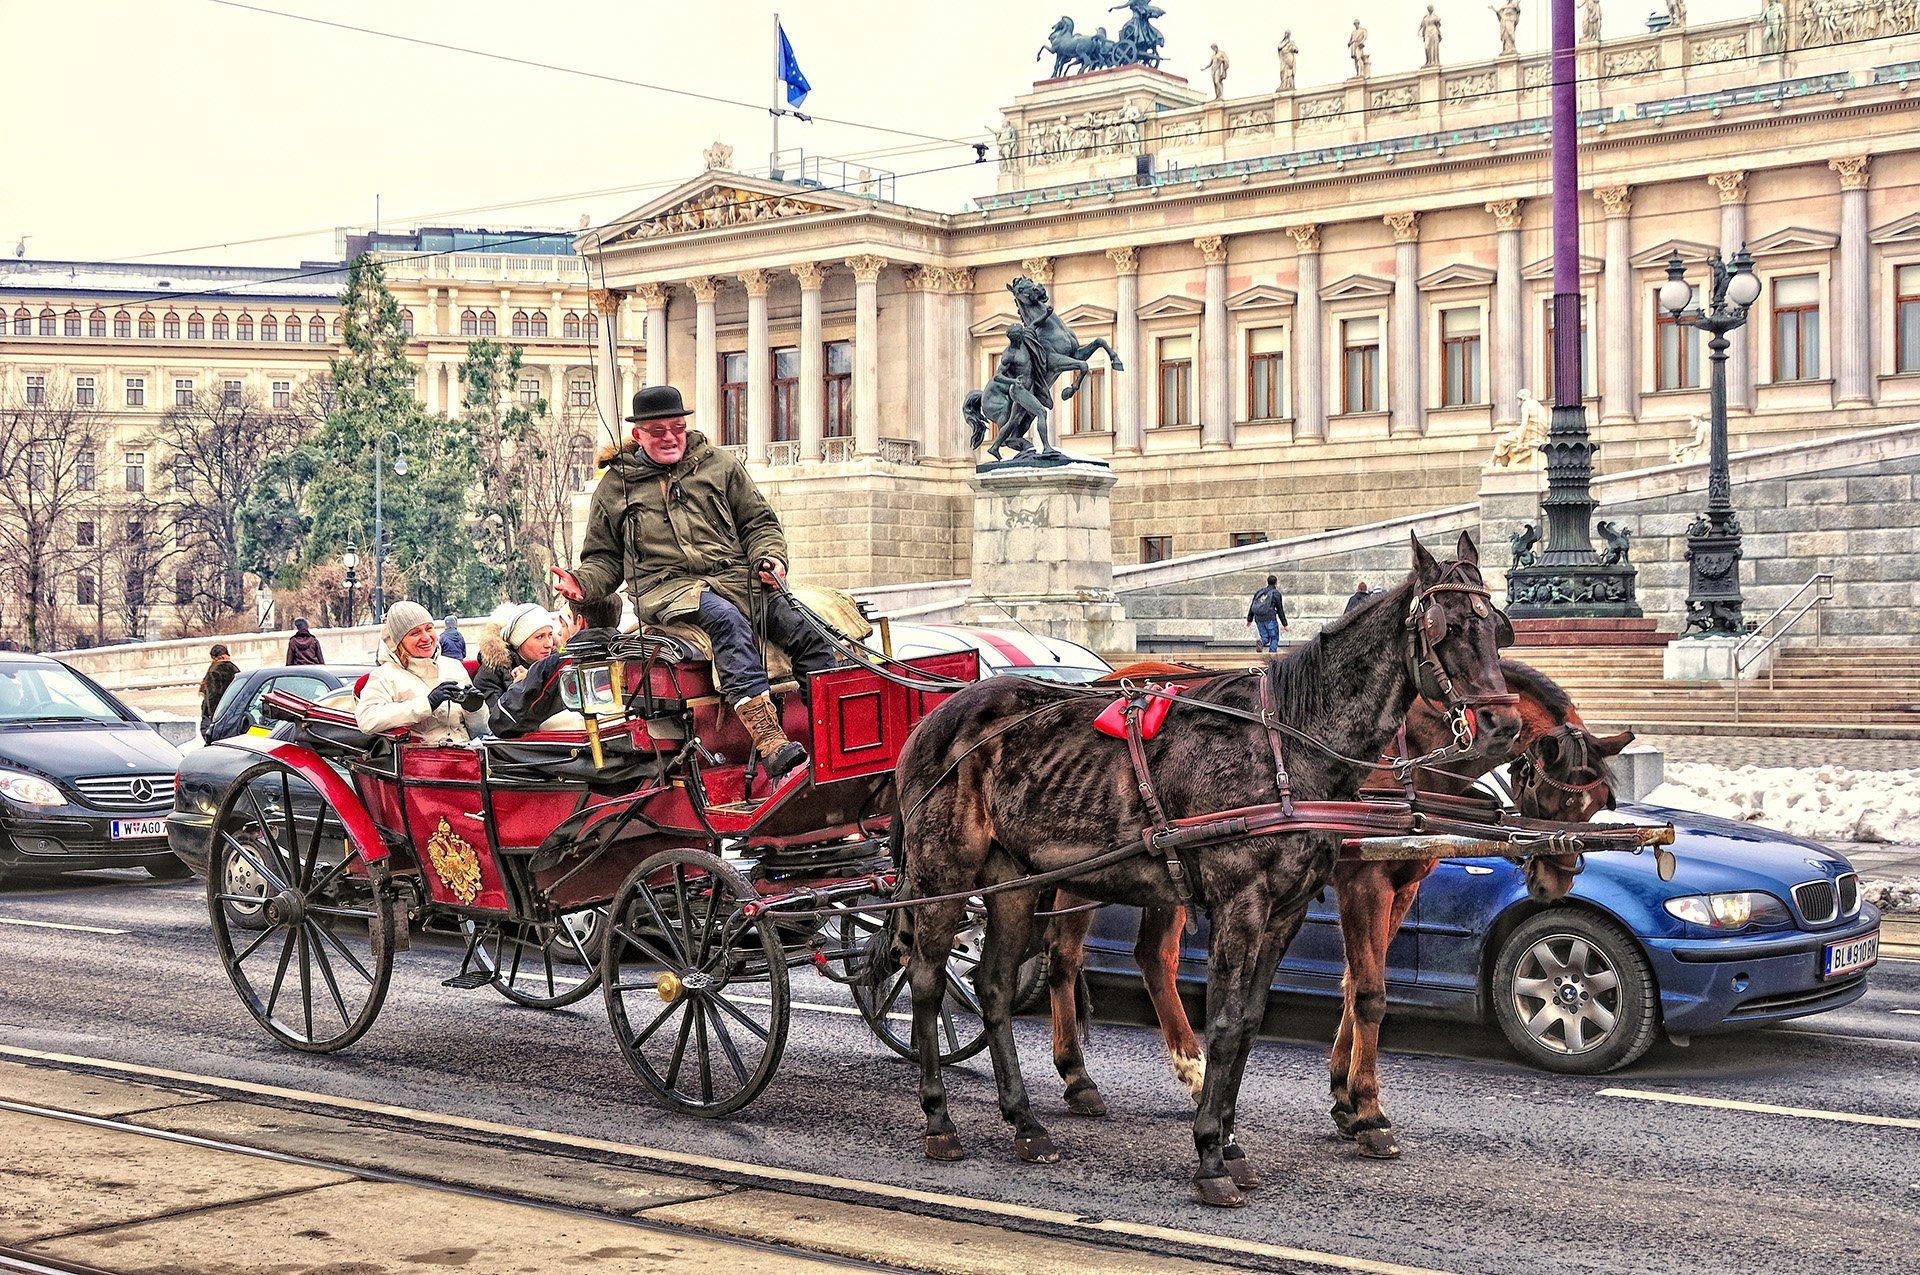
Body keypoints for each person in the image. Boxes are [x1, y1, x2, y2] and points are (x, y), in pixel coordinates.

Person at [553, 385, 832, 780]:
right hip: (667, 589)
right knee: (725, 620)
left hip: (738, 579)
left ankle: (830, 738)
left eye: (677, 427)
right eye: (658, 430)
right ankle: (771, 743)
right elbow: (604, 559)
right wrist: (583, 583)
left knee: (807, 631)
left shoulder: (720, 465)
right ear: (638, 436)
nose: (669, 437)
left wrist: (768, 558)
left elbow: (758, 524)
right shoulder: (616, 487)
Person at [490, 593, 624, 737]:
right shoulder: (631, 657)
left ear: (579, 622)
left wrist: (521, 684)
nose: (550, 642)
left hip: (568, 753)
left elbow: (502, 721)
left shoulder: (555, 666)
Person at [355, 600, 487, 744]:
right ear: (400, 642)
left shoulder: (454, 667)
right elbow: (367, 720)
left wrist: (475, 710)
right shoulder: (384, 675)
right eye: (415, 633)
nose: (426, 637)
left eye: (429, 628)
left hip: (466, 757)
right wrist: (427, 704)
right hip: (419, 760)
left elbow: (481, 733)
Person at [473, 602, 557, 723]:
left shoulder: (555, 663)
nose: (548, 644)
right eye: (539, 637)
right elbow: (498, 721)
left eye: (550, 635)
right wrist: (525, 686)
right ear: (519, 641)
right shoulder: (491, 672)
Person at [198, 644, 239, 739]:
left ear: (213, 657)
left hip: (216, 714)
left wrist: (213, 717)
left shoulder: (214, 670)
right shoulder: (235, 669)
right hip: (233, 712)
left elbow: (212, 696)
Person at [1245, 574, 1289, 653]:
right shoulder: (1276, 593)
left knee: (1265, 637)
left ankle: (1261, 642)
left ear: (1267, 582)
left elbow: (1252, 605)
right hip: (1270, 618)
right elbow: (1280, 610)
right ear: (1276, 583)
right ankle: (1272, 656)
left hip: (1258, 619)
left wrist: (1249, 620)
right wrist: (1285, 624)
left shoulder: (1259, 592)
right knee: (1274, 637)